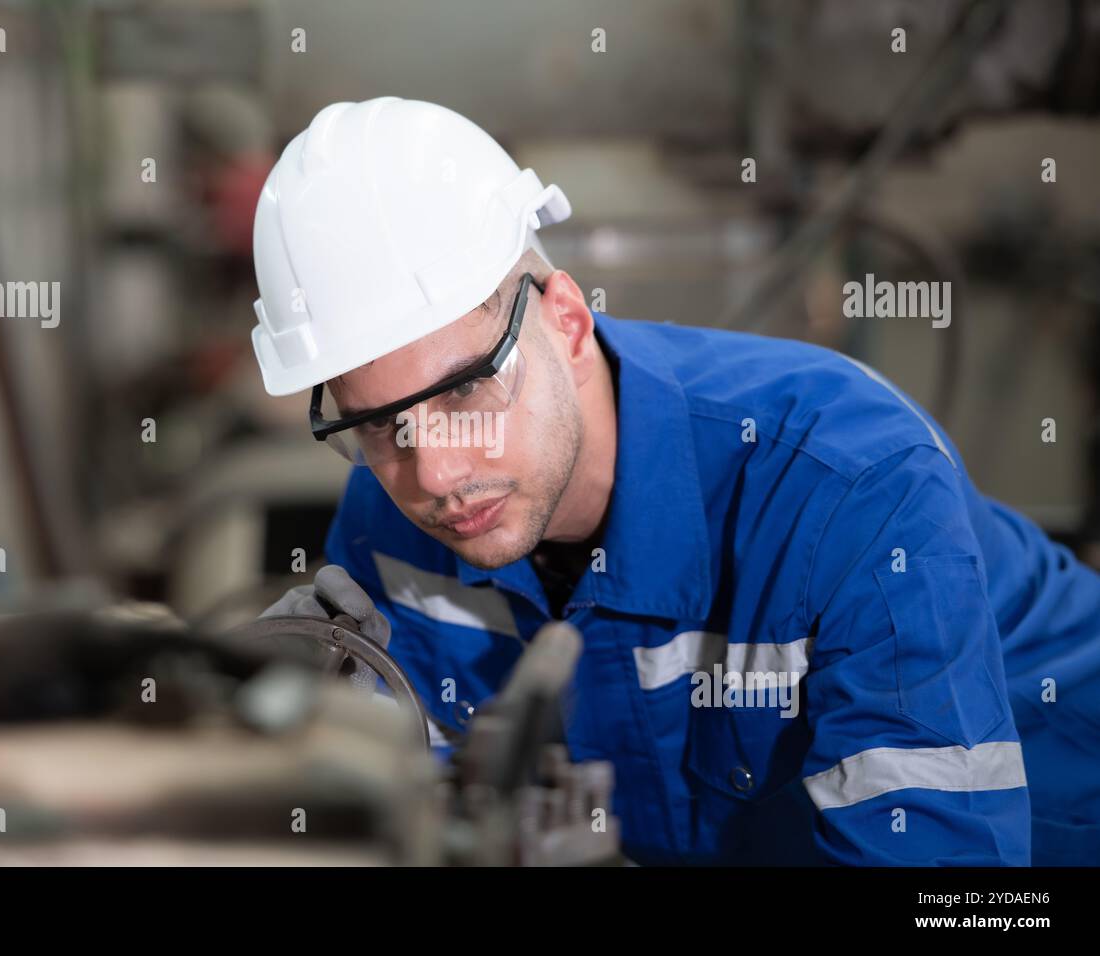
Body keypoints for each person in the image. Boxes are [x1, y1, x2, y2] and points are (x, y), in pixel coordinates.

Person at [252, 96, 1100, 865]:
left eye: (467, 387)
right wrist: (333, 751)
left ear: (568, 321)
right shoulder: (389, 524)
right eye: (379, 424)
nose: (436, 471)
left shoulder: (845, 483)